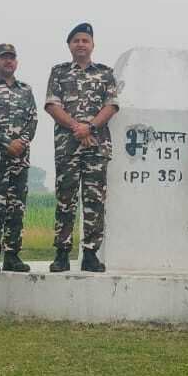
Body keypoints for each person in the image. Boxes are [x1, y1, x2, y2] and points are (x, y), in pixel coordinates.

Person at [44, 22, 120, 272]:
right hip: (68, 146)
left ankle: (90, 254)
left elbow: (111, 106)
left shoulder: (106, 73)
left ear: (92, 45)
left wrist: (91, 128)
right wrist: (77, 127)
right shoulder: (59, 72)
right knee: (65, 199)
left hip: (97, 146)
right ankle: (62, 253)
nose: (80, 44)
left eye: (85, 40)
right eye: (76, 40)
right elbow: (52, 106)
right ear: (69, 45)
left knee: (95, 200)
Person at [0, 44, 38, 274]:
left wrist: (21, 142)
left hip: (20, 158)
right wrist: (6, 142)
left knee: (16, 206)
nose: (8, 61)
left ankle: (12, 254)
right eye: (3, 58)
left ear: (16, 62)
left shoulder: (26, 90)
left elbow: (33, 121)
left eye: (12, 58)